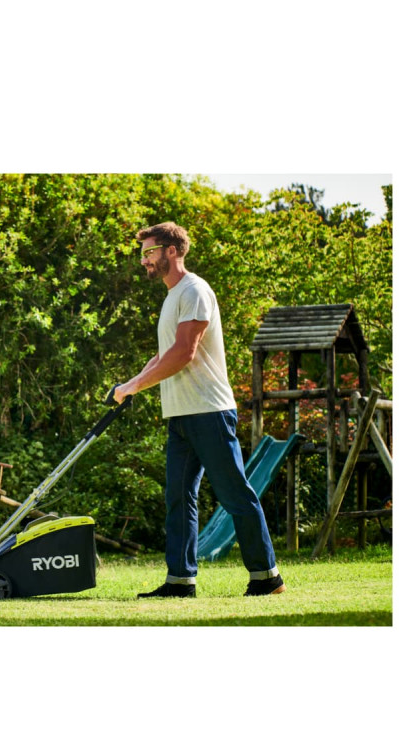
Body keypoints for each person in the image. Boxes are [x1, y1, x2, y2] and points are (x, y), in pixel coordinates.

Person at [112, 222, 285, 598]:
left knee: (234, 493)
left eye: (149, 252)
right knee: (178, 497)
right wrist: (129, 384)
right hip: (180, 414)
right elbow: (163, 355)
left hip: (209, 411)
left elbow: (183, 352)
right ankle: (180, 581)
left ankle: (266, 577)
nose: (144, 260)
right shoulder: (172, 296)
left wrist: (135, 386)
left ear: (171, 251)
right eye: (142, 254)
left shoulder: (194, 290)